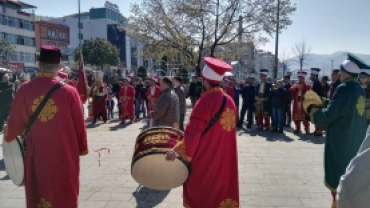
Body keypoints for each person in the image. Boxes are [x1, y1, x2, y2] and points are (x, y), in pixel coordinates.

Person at [4, 45, 88, 208]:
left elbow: (15, 125)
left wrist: (8, 134)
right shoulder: (70, 92)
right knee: (64, 193)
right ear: (59, 66)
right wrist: (82, 148)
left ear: (39, 64)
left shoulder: (24, 89)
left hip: (37, 154)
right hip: (64, 153)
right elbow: (80, 125)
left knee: (39, 191)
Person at [166, 57, 239, 208]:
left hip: (206, 160)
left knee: (203, 194)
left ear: (205, 81)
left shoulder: (205, 102)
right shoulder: (229, 101)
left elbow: (192, 135)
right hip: (225, 161)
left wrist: (176, 151)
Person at [304, 53, 367, 208]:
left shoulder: (344, 88)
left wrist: (313, 110)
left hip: (341, 140)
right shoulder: (359, 88)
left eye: (340, 70)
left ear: (344, 72)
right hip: (355, 139)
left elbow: (330, 115)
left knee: (338, 177)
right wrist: (325, 102)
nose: (339, 73)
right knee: (350, 176)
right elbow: (342, 107)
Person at [310, 68, 325, 136]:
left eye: (311, 75)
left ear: (314, 75)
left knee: (318, 117)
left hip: (318, 104)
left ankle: (319, 131)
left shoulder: (318, 84)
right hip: (315, 104)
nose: (310, 76)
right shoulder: (315, 83)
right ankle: (317, 130)